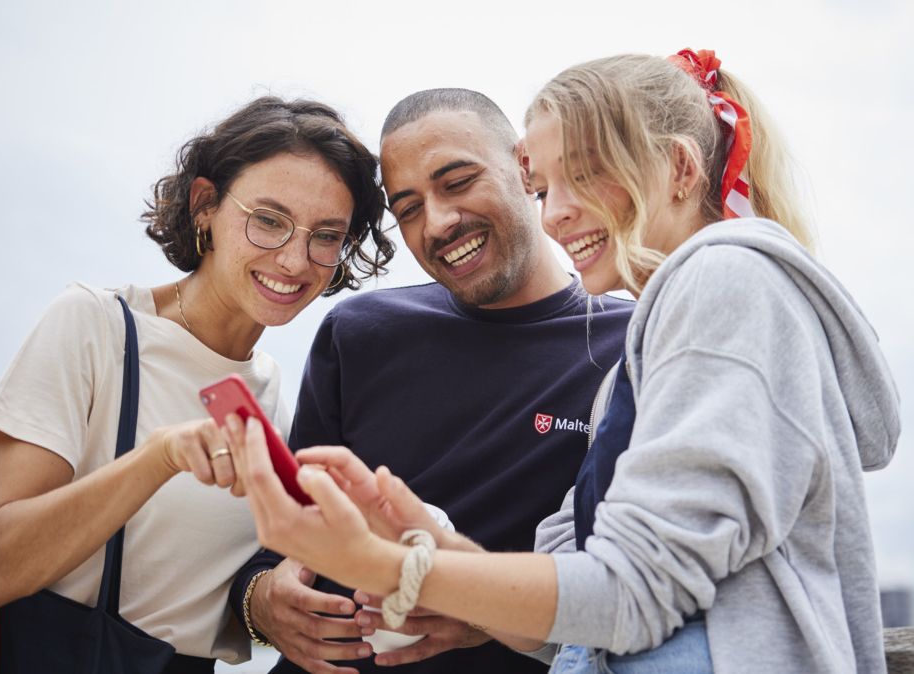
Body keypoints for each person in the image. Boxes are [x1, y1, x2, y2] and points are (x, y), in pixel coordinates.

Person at [226, 49, 901, 674]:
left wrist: (391, 566)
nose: (559, 213)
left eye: (583, 177)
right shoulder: (629, 372)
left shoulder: (721, 284)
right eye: (550, 186)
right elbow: (568, 611)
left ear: (681, 169)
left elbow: (635, 589)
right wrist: (429, 544)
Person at [0, 96, 392, 672]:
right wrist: (159, 457)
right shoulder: (95, 324)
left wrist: (269, 609)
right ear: (204, 204)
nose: (294, 260)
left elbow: (207, 599)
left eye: (326, 235)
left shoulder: (274, 397)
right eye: (268, 220)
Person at [229, 89, 633, 674]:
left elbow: (622, 587)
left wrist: (480, 608)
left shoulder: (630, 350)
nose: (438, 223)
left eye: (458, 181)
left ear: (526, 170)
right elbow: (280, 544)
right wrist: (262, 601)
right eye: (409, 207)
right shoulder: (359, 333)